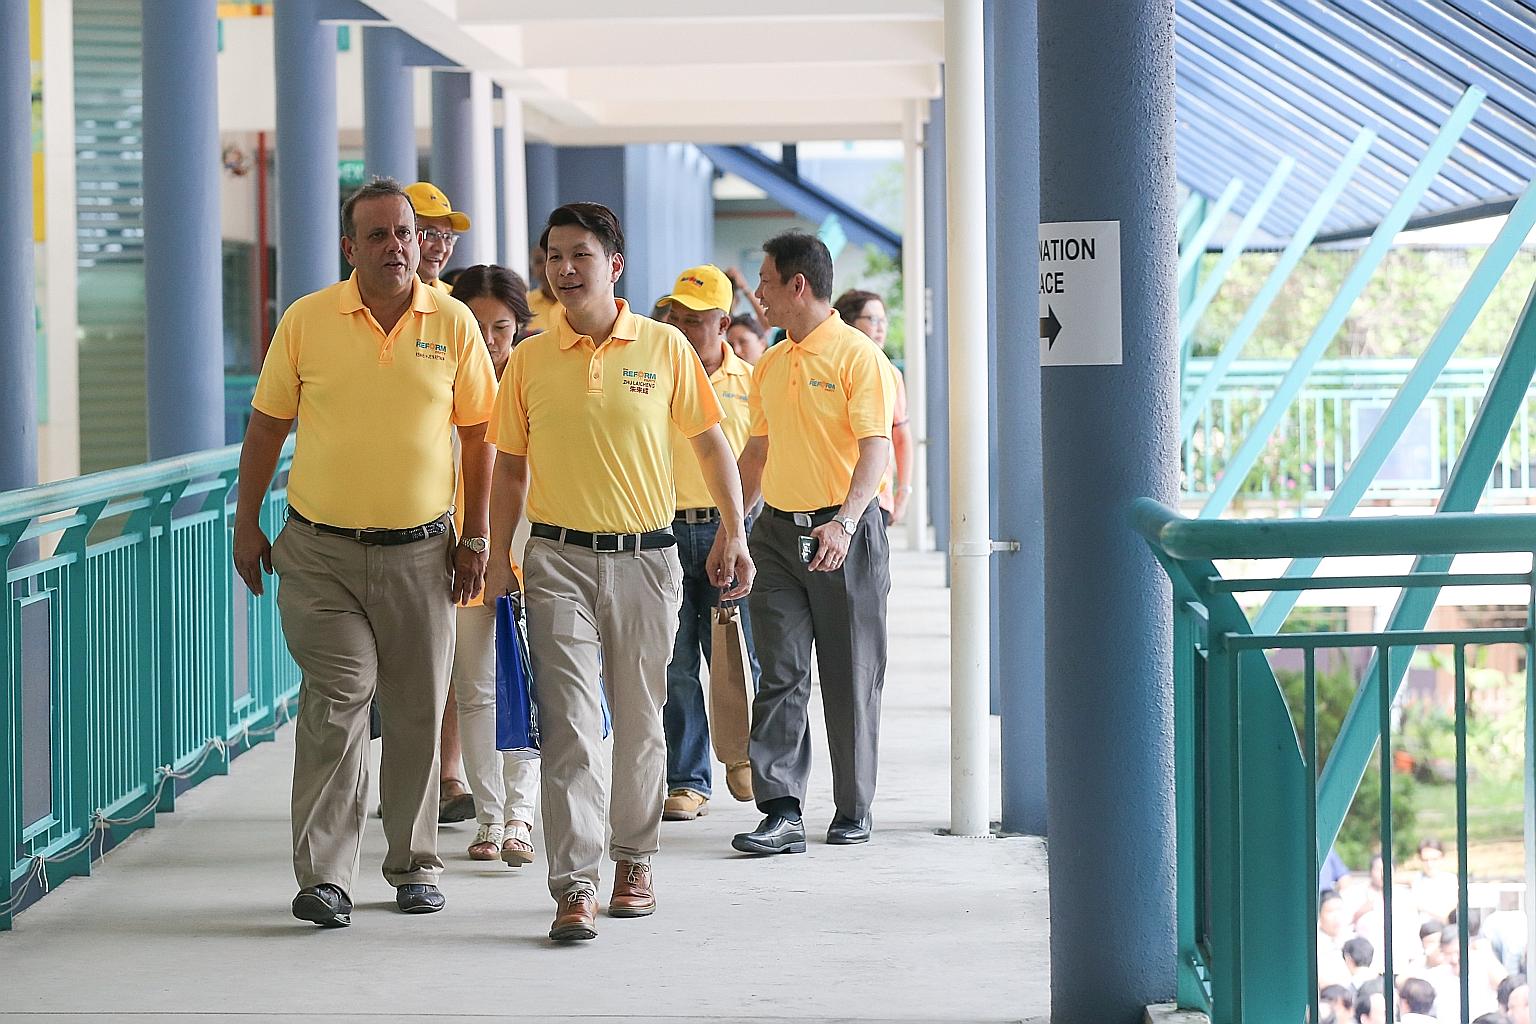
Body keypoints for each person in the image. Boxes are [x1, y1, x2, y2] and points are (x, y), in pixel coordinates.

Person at [484, 202, 753, 942]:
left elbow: (710, 447)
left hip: (646, 558)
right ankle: (574, 884)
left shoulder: (665, 348)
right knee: (570, 724)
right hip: (556, 561)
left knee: (640, 724)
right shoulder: (530, 360)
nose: (565, 269)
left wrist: (735, 530)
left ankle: (634, 859)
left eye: (581, 255)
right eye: (554, 257)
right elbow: (508, 471)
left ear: (615, 265)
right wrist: (497, 556)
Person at [232, 177, 496, 927]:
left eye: (404, 233)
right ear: (351, 248)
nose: (395, 246)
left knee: (416, 708)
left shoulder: (452, 324)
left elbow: (479, 437)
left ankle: (413, 863)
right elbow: (265, 428)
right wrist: (246, 523)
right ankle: (325, 877)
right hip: (319, 553)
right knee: (340, 700)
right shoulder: (309, 321)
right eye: (377, 235)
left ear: (421, 242)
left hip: (423, 553)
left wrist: (474, 536)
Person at [731, 231, 895, 856]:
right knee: (780, 669)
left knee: (851, 674)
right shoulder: (772, 363)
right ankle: (781, 810)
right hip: (775, 533)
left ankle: (852, 807)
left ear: (798, 285)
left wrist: (847, 522)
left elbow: (876, 446)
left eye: (767, 283)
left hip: (843, 531)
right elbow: (757, 451)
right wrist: (733, 529)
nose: (761, 296)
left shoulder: (858, 359)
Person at [442, 263, 542, 866]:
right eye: (475, 327)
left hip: (530, 550)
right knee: (475, 687)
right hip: (458, 551)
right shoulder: (441, 381)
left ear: (519, 328)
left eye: (500, 328)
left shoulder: (533, 381)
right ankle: (488, 815)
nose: (488, 340)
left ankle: (521, 818)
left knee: (522, 687)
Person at [654, 265, 760, 822]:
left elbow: (762, 462)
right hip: (667, 531)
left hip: (730, 532)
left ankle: (745, 755)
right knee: (675, 664)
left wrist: (738, 530)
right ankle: (688, 779)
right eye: (677, 318)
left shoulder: (752, 382)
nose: (685, 328)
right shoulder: (657, 377)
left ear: (723, 323)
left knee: (736, 654)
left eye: (698, 321)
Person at [403, 179, 479, 823]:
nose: (438, 243)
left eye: (444, 232)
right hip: (384, 518)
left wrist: (478, 528)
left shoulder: (457, 314)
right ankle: (413, 778)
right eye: (427, 229)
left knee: (447, 657)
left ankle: (446, 777)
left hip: (450, 515)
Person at [833, 289, 912, 526]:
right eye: (872, 320)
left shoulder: (891, 373)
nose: (880, 327)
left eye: (883, 320)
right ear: (849, 323)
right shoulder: (830, 367)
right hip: (829, 496)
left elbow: (901, 436)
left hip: (875, 498)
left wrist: (904, 492)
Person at [404, 181, 470, 294]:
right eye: (431, 234)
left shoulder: (456, 301)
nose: (441, 248)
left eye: (448, 237)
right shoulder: (373, 298)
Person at [525, 242, 561, 333]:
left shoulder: (578, 302)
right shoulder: (524, 304)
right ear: (531, 270)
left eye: (553, 258)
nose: (546, 265)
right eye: (539, 261)